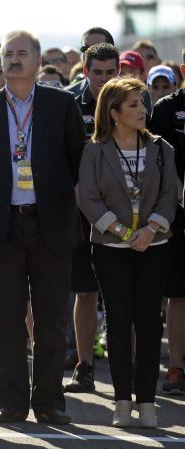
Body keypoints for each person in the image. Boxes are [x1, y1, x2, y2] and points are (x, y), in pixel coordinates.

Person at [0, 30, 85, 425]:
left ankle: (50, 403)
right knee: (6, 322)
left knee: (51, 321)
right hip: (2, 227)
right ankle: (10, 403)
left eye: (22, 54)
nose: (14, 60)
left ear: (36, 61)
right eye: (7, 54)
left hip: (50, 225)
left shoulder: (61, 104)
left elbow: (76, 160)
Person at [79, 77, 176, 428]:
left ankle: (147, 403)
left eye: (143, 103)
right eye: (134, 105)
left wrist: (149, 230)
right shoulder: (94, 150)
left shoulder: (162, 149)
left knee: (150, 323)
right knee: (119, 324)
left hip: (154, 246)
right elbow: (88, 198)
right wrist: (122, 231)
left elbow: (170, 196)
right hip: (110, 248)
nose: (142, 111)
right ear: (114, 112)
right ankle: (121, 402)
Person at [64, 42, 120, 393]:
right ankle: (83, 366)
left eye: (109, 72)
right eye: (96, 72)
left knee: (121, 296)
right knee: (84, 293)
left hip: (123, 215)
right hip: (80, 214)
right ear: (85, 71)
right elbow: (64, 162)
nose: (102, 79)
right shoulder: (69, 102)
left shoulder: (133, 99)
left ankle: (125, 370)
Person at [150, 49, 185, 395]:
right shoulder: (165, 110)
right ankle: (175, 367)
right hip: (175, 217)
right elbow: (155, 165)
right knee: (177, 297)